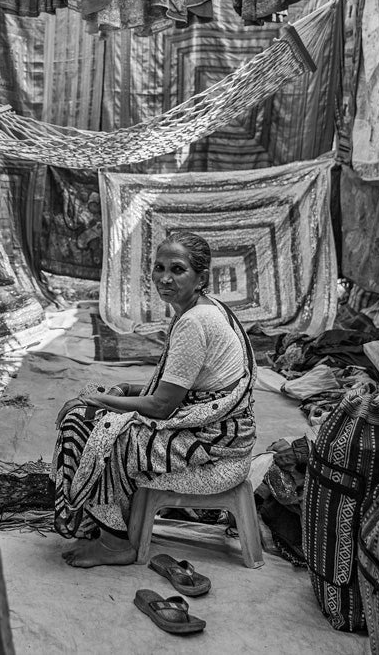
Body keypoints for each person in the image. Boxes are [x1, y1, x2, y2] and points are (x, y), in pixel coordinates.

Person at [51, 231, 257, 567]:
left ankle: (114, 542)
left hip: (213, 448)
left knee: (97, 429)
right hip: (224, 434)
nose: (164, 278)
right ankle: (106, 521)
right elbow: (175, 386)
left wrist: (98, 401)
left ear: (200, 278)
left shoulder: (195, 321)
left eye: (177, 270)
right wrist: (126, 391)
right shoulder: (202, 308)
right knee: (96, 417)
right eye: (159, 268)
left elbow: (163, 406)